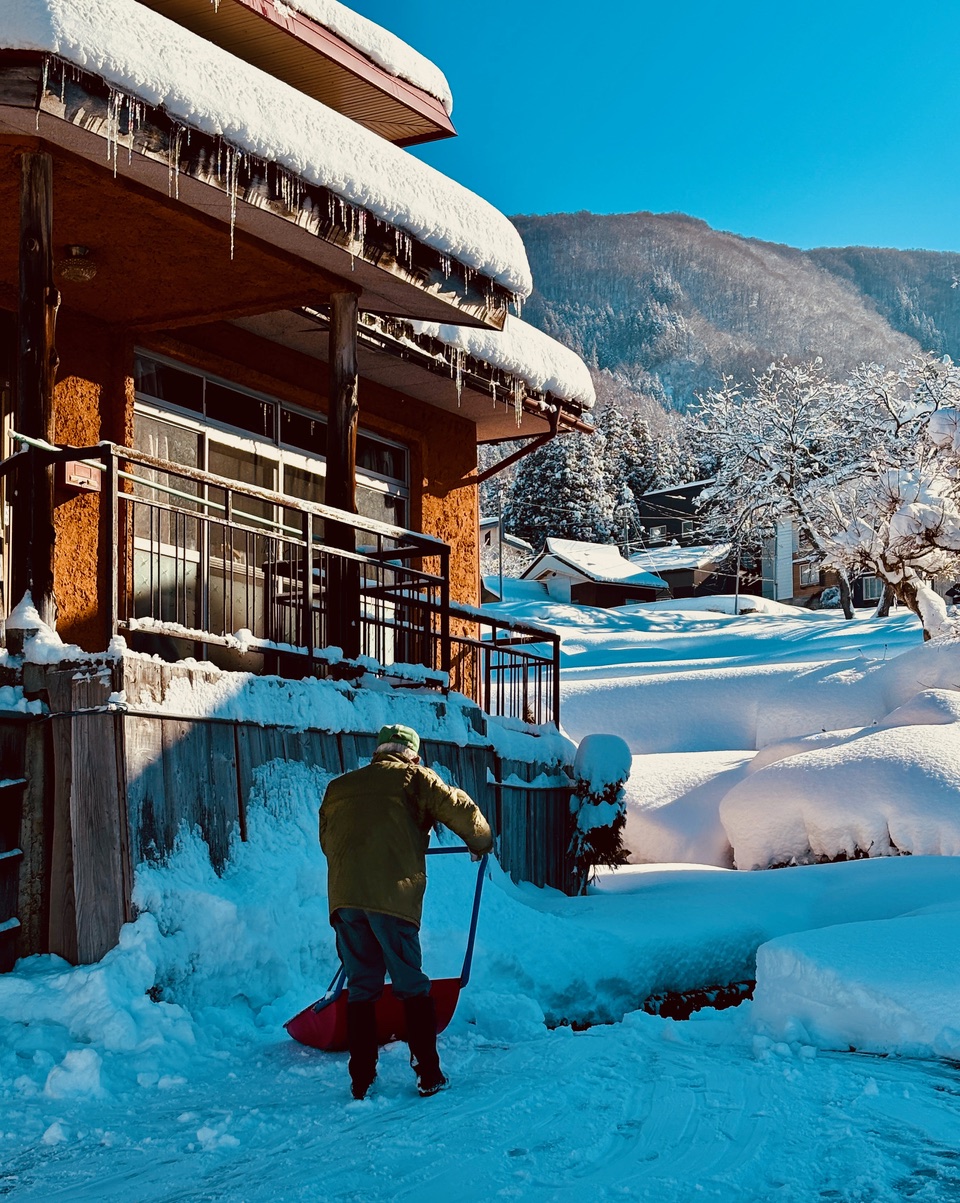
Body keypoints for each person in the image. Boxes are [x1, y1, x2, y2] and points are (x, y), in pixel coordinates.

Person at [319, 723, 493, 1100]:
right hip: (393, 898)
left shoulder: (338, 788)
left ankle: (361, 1080)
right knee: (410, 983)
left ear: (378, 751)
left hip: (345, 900)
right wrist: (481, 841)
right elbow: (460, 810)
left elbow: (327, 842)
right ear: (413, 755)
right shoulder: (416, 779)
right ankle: (428, 1073)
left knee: (361, 987)